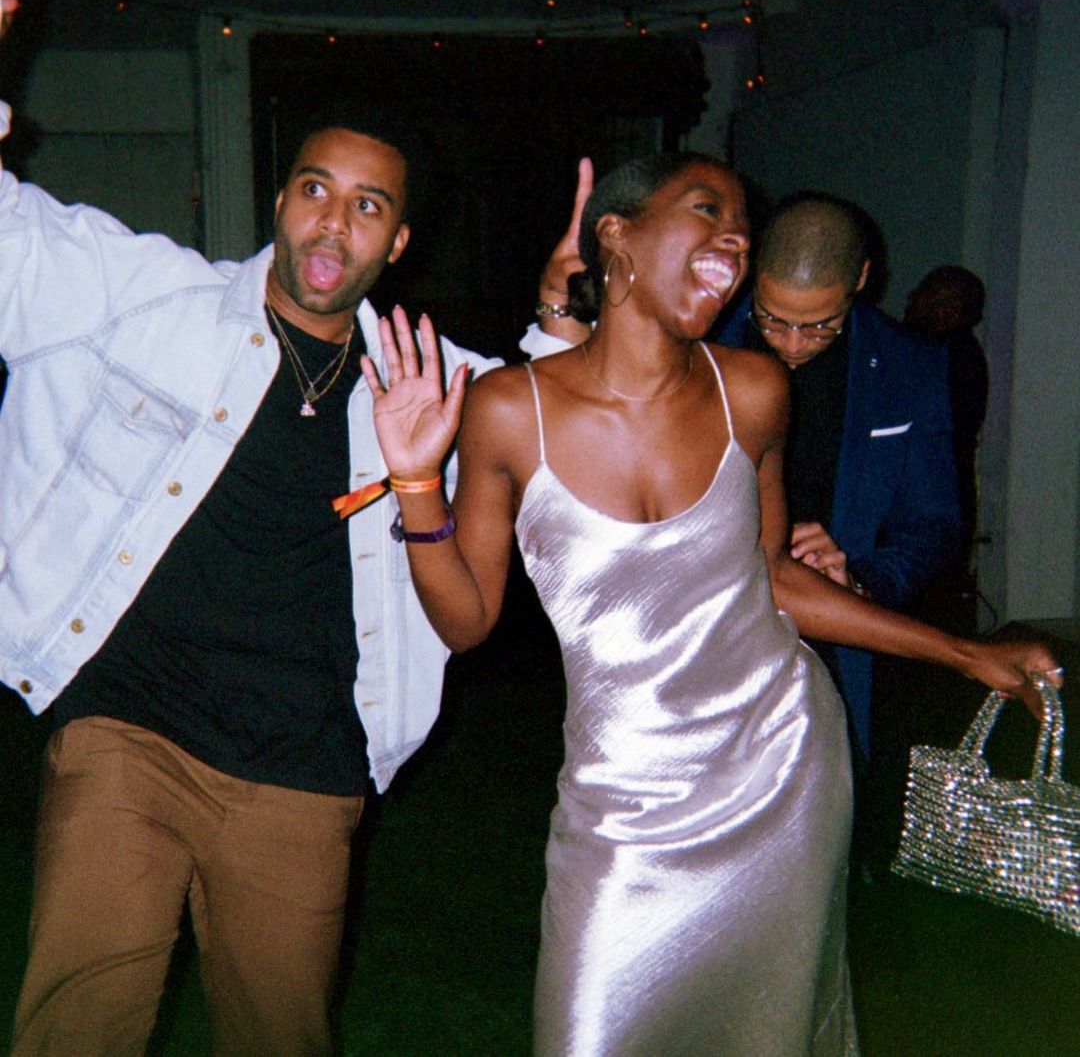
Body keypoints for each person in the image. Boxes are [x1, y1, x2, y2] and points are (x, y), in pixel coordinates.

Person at [360, 152, 1059, 1055]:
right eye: (706, 208)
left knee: (770, 1032)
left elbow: (775, 578)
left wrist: (968, 656)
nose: (734, 236)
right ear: (617, 233)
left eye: (741, 224)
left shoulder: (755, 392)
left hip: (781, 765)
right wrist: (417, 483)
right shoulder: (508, 408)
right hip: (620, 801)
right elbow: (466, 623)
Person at [0, 0, 587, 1052]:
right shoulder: (150, 297)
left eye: (368, 205)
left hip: (306, 769)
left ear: (398, 241)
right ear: (280, 200)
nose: (333, 222)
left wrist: (562, 317)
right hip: (128, 728)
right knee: (74, 1029)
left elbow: (572, 430)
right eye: (316, 189)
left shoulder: (431, 382)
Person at [713, 193, 962, 762]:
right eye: (772, 319)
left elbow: (934, 520)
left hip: (833, 643)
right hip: (707, 632)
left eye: (819, 326)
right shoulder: (701, 341)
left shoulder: (910, 365)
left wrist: (861, 578)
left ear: (861, 280)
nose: (791, 344)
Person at [904, 264, 989, 568]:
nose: (913, 299)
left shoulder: (945, 357)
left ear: (952, 308)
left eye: (927, 293)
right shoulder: (940, 353)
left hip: (932, 498)